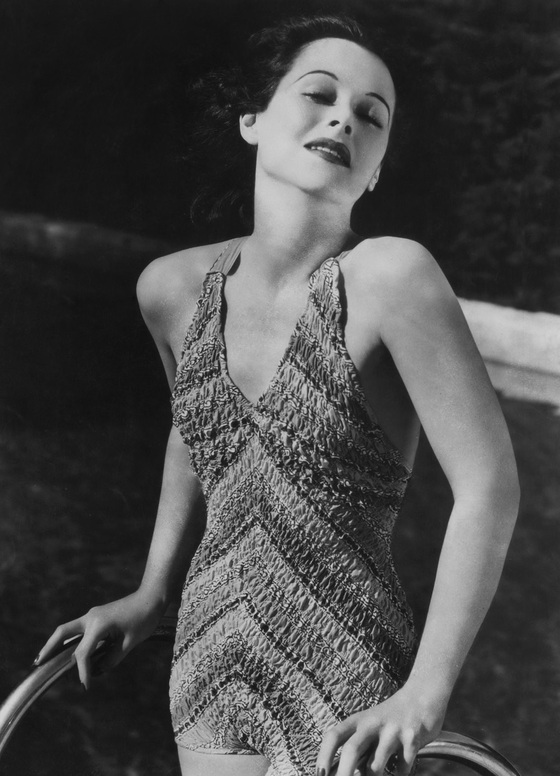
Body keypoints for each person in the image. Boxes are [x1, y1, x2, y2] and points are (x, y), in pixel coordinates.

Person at [35, 14, 520, 776]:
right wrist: (153, 590)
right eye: (319, 94)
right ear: (252, 120)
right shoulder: (170, 288)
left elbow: (490, 488)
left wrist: (425, 692)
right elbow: (197, 432)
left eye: (371, 116)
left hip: (346, 663)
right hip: (209, 657)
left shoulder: (394, 279)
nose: (343, 118)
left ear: (377, 170)